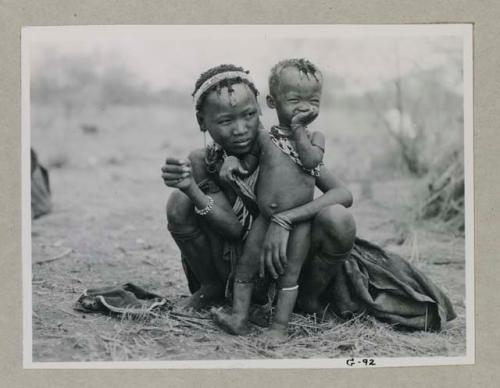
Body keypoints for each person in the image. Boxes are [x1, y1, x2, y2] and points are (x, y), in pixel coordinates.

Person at [162, 63, 456, 333]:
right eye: (226, 121)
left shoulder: (282, 147)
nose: (240, 129)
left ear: (261, 109)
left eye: (248, 115)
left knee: (337, 218)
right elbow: (234, 229)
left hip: (296, 255)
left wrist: (286, 218)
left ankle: (308, 300)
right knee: (179, 202)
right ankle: (213, 290)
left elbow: (342, 193)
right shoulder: (205, 161)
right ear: (203, 122)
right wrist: (192, 189)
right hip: (240, 264)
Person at [212, 59, 345, 339]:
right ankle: (238, 317)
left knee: (289, 276)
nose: (304, 107)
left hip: (300, 224)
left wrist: (298, 130)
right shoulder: (264, 138)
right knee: (245, 267)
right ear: (272, 102)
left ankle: (279, 328)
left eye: (313, 101)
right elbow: (248, 163)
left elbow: (310, 161)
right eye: (294, 99)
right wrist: (234, 162)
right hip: (264, 220)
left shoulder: (315, 138)